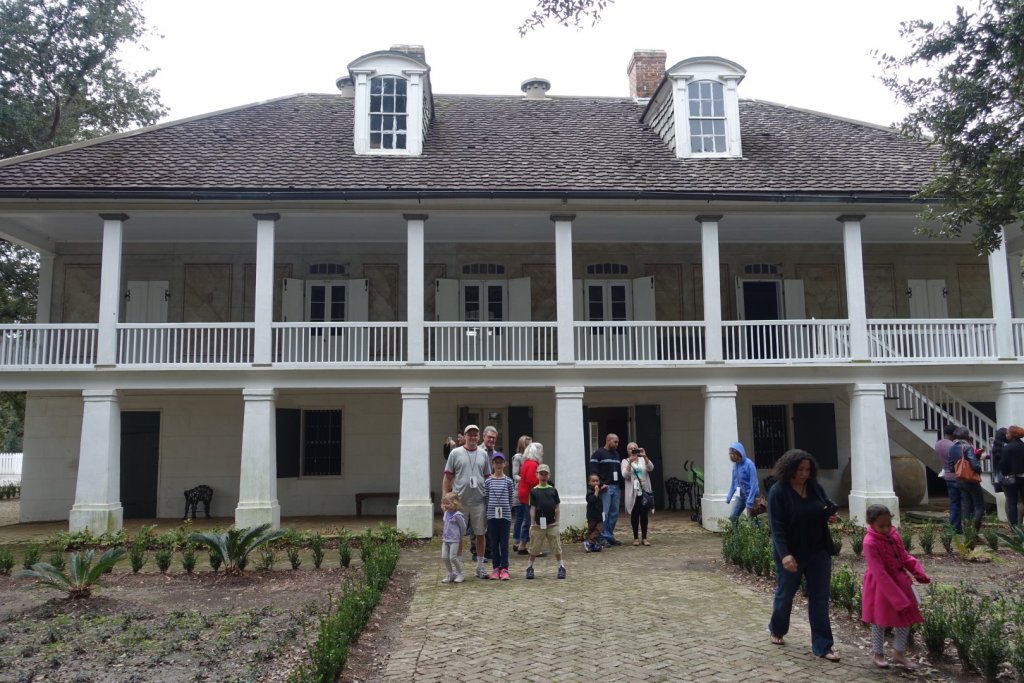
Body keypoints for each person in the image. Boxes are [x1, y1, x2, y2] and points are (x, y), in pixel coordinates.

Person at [767, 449, 840, 662]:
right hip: (791, 553)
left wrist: (830, 515)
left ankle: (823, 645)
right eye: (800, 469)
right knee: (785, 595)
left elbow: (824, 506)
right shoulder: (778, 492)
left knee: (820, 599)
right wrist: (785, 555)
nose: (804, 474)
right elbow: (777, 527)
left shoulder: (815, 487)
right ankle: (777, 628)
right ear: (789, 468)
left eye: (808, 469)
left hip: (818, 550)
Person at [861, 504, 930, 670]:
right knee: (880, 620)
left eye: (888, 524)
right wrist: (896, 597)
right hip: (881, 586)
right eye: (881, 526)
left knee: (906, 618)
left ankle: (899, 653)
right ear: (871, 523)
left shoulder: (894, 534)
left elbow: (904, 556)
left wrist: (918, 573)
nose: (886, 529)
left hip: (901, 581)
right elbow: (879, 572)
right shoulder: (870, 542)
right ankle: (878, 653)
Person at [442, 424, 491, 579]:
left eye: (475, 435)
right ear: (464, 436)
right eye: (470, 434)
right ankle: (458, 570)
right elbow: (448, 477)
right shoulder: (455, 453)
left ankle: (480, 567)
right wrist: (444, 499)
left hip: (479, 501)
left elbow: (488, 477)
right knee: (458, 535)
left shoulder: (483, 454)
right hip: (459, 502)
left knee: (480, 533)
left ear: (479, 436)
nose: (473, 437)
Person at [526, 463, 566, 580]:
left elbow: (557, 507)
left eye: (545, 474)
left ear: (549, 475)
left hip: (552, 523)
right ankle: (530, 567)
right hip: (538, 524)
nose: (543, 476)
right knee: (534, 546)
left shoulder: (553, 490)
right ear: (537, 475)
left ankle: (561, 566)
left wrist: (557, 522)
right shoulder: (534, 491)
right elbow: (532, 508)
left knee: (556, 545)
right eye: (541, 474)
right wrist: (532, 523)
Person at [484, 452, 516, 580]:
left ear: (505, 464)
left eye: (500, 462)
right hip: (492, 516)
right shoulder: (488, 481)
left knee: (504, 542)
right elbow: (486, 498)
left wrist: (506, 510)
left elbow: (511, 498)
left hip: (505, 516)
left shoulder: (508, 481)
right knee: (493, 542)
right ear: (492, 464)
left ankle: (504, 568)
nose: (498, 465)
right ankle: (495, 568)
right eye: (496, 462)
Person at [590, 433, 623, 547]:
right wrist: (600, 485)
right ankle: (601, 536)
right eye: (615, 442)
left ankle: (609, 535)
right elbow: (594, 472)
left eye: (617, 442)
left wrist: (621, 487)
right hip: (606, 488)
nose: (617, 444)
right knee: (605, 513)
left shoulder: (617, 455)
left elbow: (619, 472)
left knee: (614, 513)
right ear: (608, 440)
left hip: (616, 487)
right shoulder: (598, 454)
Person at [950, 427, 984, 533]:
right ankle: (974, 531)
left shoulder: (952, 448)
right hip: (971, 480)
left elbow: (951, 467)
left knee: (966, 506)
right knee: (979, 506)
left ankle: (967, 531)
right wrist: (979, 467)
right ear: (967, 436)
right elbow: (974, 465)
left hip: (960, 480)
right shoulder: (967, 447)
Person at [622, 441, 654, 546]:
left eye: (634, 448)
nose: (632, 450)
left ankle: (644, 538)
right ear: (627, 451)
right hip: (633, 493)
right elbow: (625, 475)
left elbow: (651, 468)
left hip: (643, 491)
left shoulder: (642, 460)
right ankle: (635, 538)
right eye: (630, 449)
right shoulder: (625, 461)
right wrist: (630, 463)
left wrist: (645, 456)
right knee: (635, 515)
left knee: (644, 515)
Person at [517, 442, 543, 555]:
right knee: (531, 521)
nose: (543, 453)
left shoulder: (527, 463)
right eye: (541, 450)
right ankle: (525, 545)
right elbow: (532, 481)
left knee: (528, 520)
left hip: (525, 494)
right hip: (529, 496)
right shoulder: (533, 464)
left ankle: (523, 545)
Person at [725, 441, 759, 524]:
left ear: (739, 453)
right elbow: (734, 483)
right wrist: (729, 496)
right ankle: (737, 535)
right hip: (740, 496)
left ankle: (758, 535)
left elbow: (754, 484)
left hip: (750, 496)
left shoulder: (749, 464)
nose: (732, 456)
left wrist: (750, 500)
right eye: (731, 454)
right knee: (733, 517)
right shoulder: (735, 466)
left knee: (752, 520)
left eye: (734, 454)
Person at [935, 424, 961, 533]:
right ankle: (957, 526)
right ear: (954, 433)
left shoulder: (938, 444)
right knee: (962, 503)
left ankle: (954, 525)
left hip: (947, 474)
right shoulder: (953, 446)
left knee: (954, 501)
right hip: (956, 475)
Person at [511, 435, 533, 554]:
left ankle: (523, 541)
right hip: (518, 490)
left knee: (526, 517)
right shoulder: (518, 458)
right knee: (519, 517)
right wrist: (525, 480)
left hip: (527, 490)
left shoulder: (530, 458)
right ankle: (516, 541)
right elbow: (515, 475)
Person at [439, 492, 467, 584]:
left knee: (453, 557)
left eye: (448, 503)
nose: (445, 505)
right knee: (444, 557)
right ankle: (450, 574)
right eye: (444, 503)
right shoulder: (446, 513)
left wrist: (460, 536)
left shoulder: (457, 515)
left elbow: (463, 527)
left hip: (454, 539)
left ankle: (460, 573)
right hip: (446, 539)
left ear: (455, 503)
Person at [1000, 425, 1024, 526]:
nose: (1006, 435)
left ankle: (1014, 527)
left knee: (1012, 502)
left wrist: (1005, 473)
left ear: (1013, 435)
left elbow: (1003, 464)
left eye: (1008, 433)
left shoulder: (1007, 448)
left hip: (1011, 478)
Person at [584, 473, 606, 552]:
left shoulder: (598, 489)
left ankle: (590, 542)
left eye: (597, 481)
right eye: (593, 481)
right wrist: (596, 492)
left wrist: (602, 488)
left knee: (599, 529)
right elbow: (591, 500)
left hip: (599, 515)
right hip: (592, 516)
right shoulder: (589, 492)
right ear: (589, 483)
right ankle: (590, 543)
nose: (596, 483)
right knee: (591, 530)